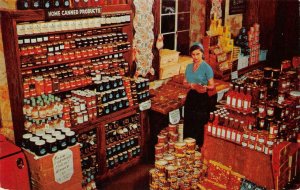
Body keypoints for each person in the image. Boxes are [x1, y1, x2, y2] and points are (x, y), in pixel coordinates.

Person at [183, 42, 217, 147]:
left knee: (199, 123)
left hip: (202, 98)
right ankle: (188, 145)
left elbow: (212, 86)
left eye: (197, 54)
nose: (195, 57)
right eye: (193, 54)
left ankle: (198, 146)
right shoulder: (189, 67)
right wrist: (192, 85)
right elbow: (184, 83)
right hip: (191, 96)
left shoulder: (207, 68)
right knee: (189, 121)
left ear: (202, 53)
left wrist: (204, 87)